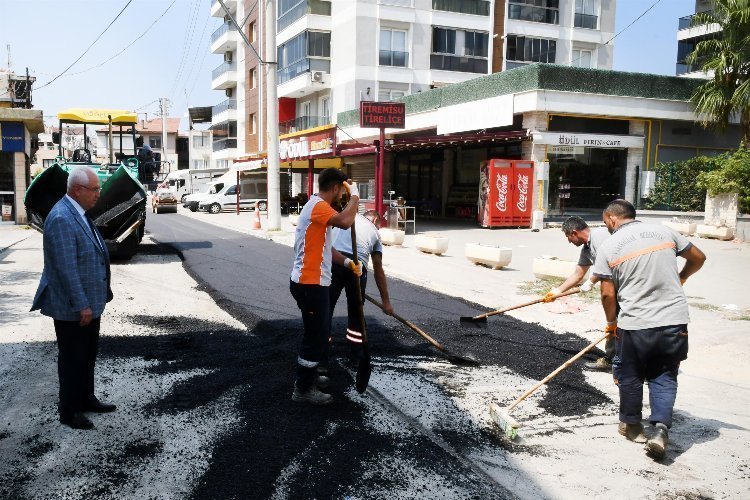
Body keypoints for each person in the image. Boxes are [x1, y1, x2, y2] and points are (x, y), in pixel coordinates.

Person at [592, 199, 705, 459]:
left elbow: (608, 294)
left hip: (636, 323)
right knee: (664, 374)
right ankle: (660, 428)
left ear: (611, 218)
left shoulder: (609, 246)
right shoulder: (665, 232)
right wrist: (682, 276)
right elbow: (699, 257)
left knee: (630, 374)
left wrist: (611, 325)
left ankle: (632, 426)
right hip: (674, 320)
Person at [31, 166, 116, 430]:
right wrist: (82, 305)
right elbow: (66, 268)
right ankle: (69, 411)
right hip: (74, 308)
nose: (98, 195)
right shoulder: (62, 218)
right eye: (95, 189)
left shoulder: (79, 213)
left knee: (87, 355)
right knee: (72, 358)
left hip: (90, 304)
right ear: (77, 190)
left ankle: (86, 398)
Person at [289, 168, 362, 405]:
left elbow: (326, 250)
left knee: (317, 335)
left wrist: (348, 262)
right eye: (342, 191)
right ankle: (303, 389)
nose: (342, 195)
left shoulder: (318, 210)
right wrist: (355, 197)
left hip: (312, 283)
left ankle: (308, 381)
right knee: (316, 337)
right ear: (335, 188)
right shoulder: (319, 207)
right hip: (310, 284)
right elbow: (346, 220)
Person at [543, 215, 613, 371]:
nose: (568, 240)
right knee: (614, 325)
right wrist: (557, 291)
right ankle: (613, 359)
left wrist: (591, 281)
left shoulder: (600, 236)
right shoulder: (587, 248)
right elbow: (578, 274)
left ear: (574, 232)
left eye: (568, 236)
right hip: (612, 288)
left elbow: (609, 262)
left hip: (625, 287)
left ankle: (646, 368)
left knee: (624, 325)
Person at [328, 210, 394, 369]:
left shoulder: (348, 217)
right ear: (376, 220)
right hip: (356, 269)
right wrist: (386, 302)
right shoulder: (376, 234)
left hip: (333, 261)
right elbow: (378, 270)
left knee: (326, 308)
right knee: (356, 314)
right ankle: (356, 357)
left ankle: (321, 355)